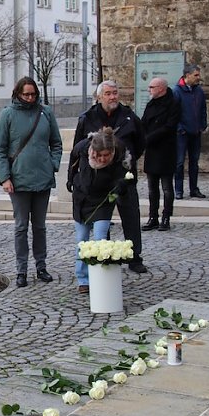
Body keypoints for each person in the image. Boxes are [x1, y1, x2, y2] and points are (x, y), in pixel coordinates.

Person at [0, 77, 63, 287]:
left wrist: (53, 164)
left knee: (40, 227)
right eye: (26, 94)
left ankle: (41, 266)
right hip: (19, 180)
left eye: (33, 94)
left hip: (42, 179)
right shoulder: (8, 114)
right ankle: (21, 269)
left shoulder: (46, 113)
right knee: (21, 227)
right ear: (18, 94)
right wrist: (5, 177)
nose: (30, 98)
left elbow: (56, 143)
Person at [75, 80, 148, 273]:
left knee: (131, 216)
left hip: (123, 177)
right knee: (102, 223)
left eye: (115, 93)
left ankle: (134, 257)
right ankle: (104, 255)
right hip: (96, 181)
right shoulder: (88, 118)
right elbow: (78, 149)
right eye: (108, 93)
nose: (113, 97)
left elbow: (140, 144)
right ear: (99, 97)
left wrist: (126, 164)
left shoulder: (129, 117)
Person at [67, 127, 130, 294]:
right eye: (99, 155)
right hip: (82, 198)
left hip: (103, 200)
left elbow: (126, 175)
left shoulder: (120, 151)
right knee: (82, 240)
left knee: (100, 238)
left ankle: (99, 276)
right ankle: (83, 279)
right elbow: (72, 162)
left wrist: (121, 186)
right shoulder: (82, 148)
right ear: (93, 150)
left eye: (106, 156)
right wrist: (71, 180)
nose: (102, 159)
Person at [140, 77, 181, 231]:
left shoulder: (173, 104)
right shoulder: (151, 104)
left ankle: (166, 217)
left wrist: (148, 138)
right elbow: (143, 122)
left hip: (166, 149)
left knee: (166, 187)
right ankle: (153, 217)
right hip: (152, 150)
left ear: (161, 88)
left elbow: (169, 127)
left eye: (152, 87)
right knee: (152, 188)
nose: (149, 89)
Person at [172, 64, 207, 200]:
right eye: (196, 75)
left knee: (194, 162)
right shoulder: (177, 91)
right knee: (179, 163)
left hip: (195, 132)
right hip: (182, 134)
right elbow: (174, 113)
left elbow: (203, 109)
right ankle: (179, 190)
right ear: (187, 76)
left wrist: (202, 125)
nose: (198, 78)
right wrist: (180, 128)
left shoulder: (199, 91)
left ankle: (194, 189)